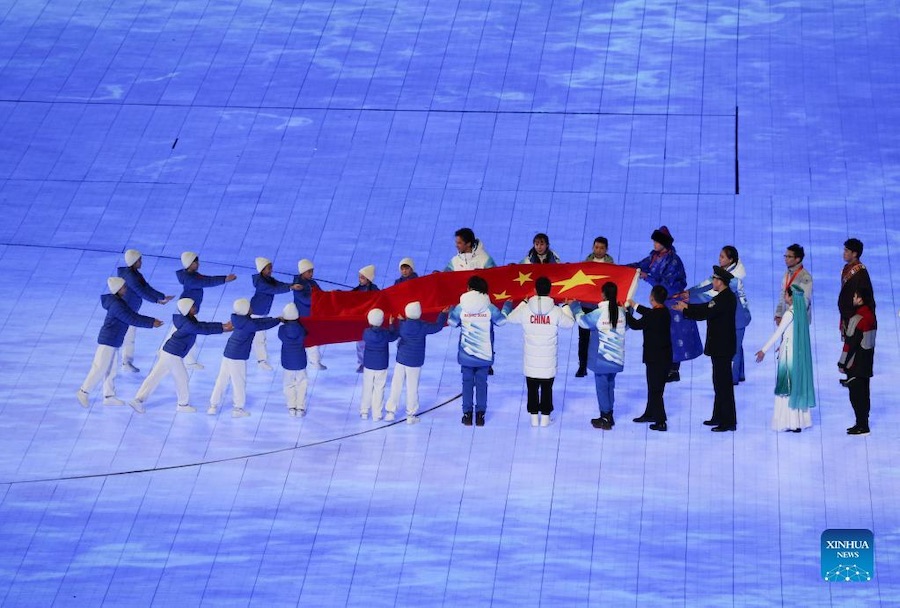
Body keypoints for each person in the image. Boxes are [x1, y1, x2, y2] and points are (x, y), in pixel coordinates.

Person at [130, 298, 232, 414]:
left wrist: (223, 325)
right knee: (181, 378)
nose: (195, 307)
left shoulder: (186, 319)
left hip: (169, 352)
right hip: (173, 355)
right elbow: (202, 329)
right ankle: (182, 404)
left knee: (155, 377)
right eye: (193, 306)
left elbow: (202, 325)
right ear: (187, 309)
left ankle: (138, 400)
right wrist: (223, 328)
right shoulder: (188, 324)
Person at [627, 226, 702, 382]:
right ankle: (667, 367)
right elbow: (640, 265)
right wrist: (623, 269)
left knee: (674, 335)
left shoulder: (674, 261)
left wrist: (647, 276)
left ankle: (673, 370)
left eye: (657, 241)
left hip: (673, 300)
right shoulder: (654, 256)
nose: (654, 243)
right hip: (663, 299)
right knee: (666, 335)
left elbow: (668, 283)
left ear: (664, 243)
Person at [77, 278, 163, 408]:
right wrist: (151, 322)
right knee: (99, 368)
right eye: (123, 287)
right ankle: (83, 392)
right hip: (108, 341)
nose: (126, 289)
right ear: (118, 289)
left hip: (114, 340)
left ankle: (109, 396)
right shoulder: (117, 305)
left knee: (111, 370)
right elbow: (132, 318)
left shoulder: (118, 302)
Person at [674, 266, 737, 432]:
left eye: (715, 280)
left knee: (723, 384)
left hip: (722, 348)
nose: (713, 283)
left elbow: (705, 312)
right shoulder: (723, 297)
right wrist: (687, 308)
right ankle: (719, 416)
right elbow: (705, 308)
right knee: (719, 383)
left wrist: (686, 309)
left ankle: (728, 421)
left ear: (721, 282)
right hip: (720, 347)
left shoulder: (725, 299)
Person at [505, 277, 575, 427]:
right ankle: (545, 419)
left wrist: (523, 303)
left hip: (531, 361)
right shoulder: (556, 311)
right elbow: (569, 323)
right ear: (550, 291)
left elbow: (510, 318)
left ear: (535, 290)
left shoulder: (525, 309)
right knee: (547, 389)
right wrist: (566, 306)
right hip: (548, 361)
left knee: (532, 389)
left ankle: (534, 419)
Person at [679, 246, 751, 385]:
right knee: (737, 345)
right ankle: (740, 374)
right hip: (734, 315)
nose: (719, 258)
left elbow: (711, 295)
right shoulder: (724, 271)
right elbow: (708, 284)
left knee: (735, 349)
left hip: (739, 317)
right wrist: (689, 292)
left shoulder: (734, 279)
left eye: (722, 257)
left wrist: (689, 300)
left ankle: (733, 379)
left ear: (730, 260)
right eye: (720, 255)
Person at [447, 276, 511, 426]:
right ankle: (480, 415)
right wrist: (507, 306)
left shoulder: (461, 306)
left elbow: (452, 322)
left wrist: (451, 310)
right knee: (482, 383)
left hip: (466, 354)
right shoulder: (489, 307)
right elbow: (501, 321)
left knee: (467, 383)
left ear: (469, 288)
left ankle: (467, 415)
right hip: (484, 354)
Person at [755, 285, 816, 432]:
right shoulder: (800, 313)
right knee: (796, 385)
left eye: (786, 295)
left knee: (787, 386)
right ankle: (799, 421)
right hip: (797, 353)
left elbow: (778, 333)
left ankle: (789, 422)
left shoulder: (789, 314)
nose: (784, 297)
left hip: (788, 354)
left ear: (791, 297)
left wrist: (764, 350)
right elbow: (794, 333)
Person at [208, 298, 281, 418]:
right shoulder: (249, 324)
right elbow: (262, 325)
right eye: (249, 306)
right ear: (245, 309)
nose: (252, 308)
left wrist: (276, 318)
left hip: (229, 352)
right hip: (238, 356)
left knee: (222, 379)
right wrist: (278, 320)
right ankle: (238, 408)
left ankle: (213, 406)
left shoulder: (238, 319)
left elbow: (260, 322)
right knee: (239, 382)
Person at [572, 282, 626, 430]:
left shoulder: (599, 313)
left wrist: (575, 306)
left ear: (603, 294)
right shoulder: (621, 312)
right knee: (610, 386)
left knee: (602, 388)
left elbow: (583, 322)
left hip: (602, 358)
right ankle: (609, 414)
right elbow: (626, 326)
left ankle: (605, 417)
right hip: (617, 358)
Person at [170, 251, 237, 369]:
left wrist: (223, 279)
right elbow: (207, 281)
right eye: (196, 262)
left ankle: (167, 354)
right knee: (190, 333)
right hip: (186, 312)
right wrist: (224, 279)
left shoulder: (191, 275)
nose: (198, 264)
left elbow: (206, 279)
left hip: (187, 311)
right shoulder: (191, 279)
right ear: (190, 263)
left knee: (178, 332)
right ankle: (188, 361)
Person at [385, 301, 448, 424]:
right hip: (415, 362)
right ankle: (410, 415)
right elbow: (437, 327)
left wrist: (393, 324)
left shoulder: (403, 325)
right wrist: (442, 314)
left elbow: (395, 333)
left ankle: (390, 412)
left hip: (401, 360)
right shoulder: (423, 326)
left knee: (396, 386)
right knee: (412, 388)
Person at [117, 249, 174, 372]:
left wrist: (162, 296)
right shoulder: (130, 277)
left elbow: (146, 287)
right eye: (139, 260)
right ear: (134, 261)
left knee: (128, 336)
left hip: (131, 310)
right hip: (126, 311)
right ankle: (125, 362)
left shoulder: (135, 274)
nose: (141, 262)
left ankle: (126, 362)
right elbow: (141, 291)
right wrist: (157, 301)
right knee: (127, 336)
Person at [626, 285, 672, 431]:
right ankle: (650, 413)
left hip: (654, 358)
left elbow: (635, 324)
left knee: (655, 390)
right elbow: (649, 312)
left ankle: (660, 421)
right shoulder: (664, 312)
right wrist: (635, 305)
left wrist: (626, 312)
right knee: (655, 388)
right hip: (664, 357)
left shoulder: (652, 316)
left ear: (651, 297)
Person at [251, 257, 301, 371]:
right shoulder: (261, 283)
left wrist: (292, 285)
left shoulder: (269, 279)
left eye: (271, 267)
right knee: (259, 337)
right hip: (256, 312)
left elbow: (279, 285)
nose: (271, 270)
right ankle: (261, 361)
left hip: (261, 312)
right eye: (268, 268)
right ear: (262, 270)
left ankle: (261, 359)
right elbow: (274, 290)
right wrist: (290, 287)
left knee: (258, 337)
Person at [838, 286, 876, 435]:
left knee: (856, 396)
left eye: (855, 297)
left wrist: (842, 363)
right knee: (865, 395)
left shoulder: (857, 319)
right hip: (867, 362)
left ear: (860, 299)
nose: (853, 299)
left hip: (855, 364)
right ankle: (863, 423)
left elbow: (850, 344)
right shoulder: (870, 316)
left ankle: (861, 425)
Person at [575, 237, 615, 377]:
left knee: (604, 337)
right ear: (593, 247)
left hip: (602, 307)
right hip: (586, 305)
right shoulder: (585, 265)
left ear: (606, 249)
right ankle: (582, 366)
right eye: (596, 247)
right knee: (583, 337)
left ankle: (603, 364)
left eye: (601, 248)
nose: (598, 250)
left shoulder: (612, 268)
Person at [359, 308, 399, 421]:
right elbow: (394, 336)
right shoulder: (386, 334)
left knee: (367, 388)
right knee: (379, 389)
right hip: (381, 365)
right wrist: (392, 325)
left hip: (369, 365)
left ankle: (364, 412)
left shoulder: (366, 332)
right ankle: (377, 414)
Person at [293, 258, 326, 370]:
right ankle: (314, 362)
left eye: (312, 271)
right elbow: (305, 300)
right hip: (304, 316)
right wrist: (317, 298)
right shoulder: (298, 285)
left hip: (313, 315)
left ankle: (314, 361)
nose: (311, 274)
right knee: (311, 338)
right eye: (309, 271)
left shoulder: (312, 283)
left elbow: (321, 294)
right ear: (302, 272)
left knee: (313, 338)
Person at [838, 238, 874, 336]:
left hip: (857, 317)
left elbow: (864, 294)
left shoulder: (860, 272)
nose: (843, 253)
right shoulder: (846, 268)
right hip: (847, 315)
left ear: (854, 254)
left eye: (846, 251)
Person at [278, 303, 309, 417]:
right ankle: (300, 407)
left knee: (288, 384)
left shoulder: (282, 329)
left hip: (287, 361)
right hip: (300, 360)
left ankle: (291, 407)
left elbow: (281, 336)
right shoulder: (301, 329)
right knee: (302, 383)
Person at [775, 243, 812, 326]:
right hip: (786, 318)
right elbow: (782, 294)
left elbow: (804, 301)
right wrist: (779, 314)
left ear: (797, 259)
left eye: (789, 257)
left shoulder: (805, 276)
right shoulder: (787, 273)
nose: (786, 259)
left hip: (798, 320)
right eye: (785, 256)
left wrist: (790, 315)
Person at [353, 265, 380, 372]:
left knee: (369, 344)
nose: (360, 279)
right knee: (359, 343)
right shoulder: (357, 289)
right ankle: (361, 363)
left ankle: (370, 362)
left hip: (370, 320)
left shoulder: (374, 290)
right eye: (359, 277)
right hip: (359, 321)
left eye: (362, 277)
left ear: (368, 279)